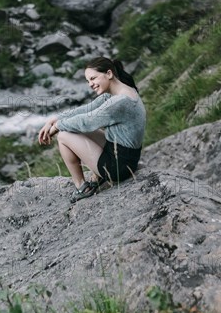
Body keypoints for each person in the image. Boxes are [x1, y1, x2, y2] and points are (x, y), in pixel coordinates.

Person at [38, 56, 146, 203]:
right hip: (126, 157)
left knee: (63, 136)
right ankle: (97, 177)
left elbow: (87, 121)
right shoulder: (122, 92)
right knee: (71, 128)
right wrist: (54, 119)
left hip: (118, 168)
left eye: (93, 78)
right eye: (88, 81)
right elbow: (87, 109)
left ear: (109, 74)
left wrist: (57, 127)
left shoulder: (119, 102)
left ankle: (81, 186)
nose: (90, 84)